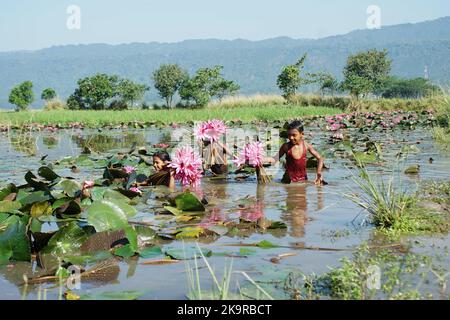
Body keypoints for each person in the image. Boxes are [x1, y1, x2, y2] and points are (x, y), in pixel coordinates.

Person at [267, 120, 324, 185]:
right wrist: (262, 160)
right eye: (289, 135)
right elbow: (275, 159)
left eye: (294, 135)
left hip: (303, 180)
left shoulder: (306, 145)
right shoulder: (285, 146)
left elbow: (320, 158)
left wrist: (319, 172)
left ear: (302, 134)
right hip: (288, 181)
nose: (291, 138)